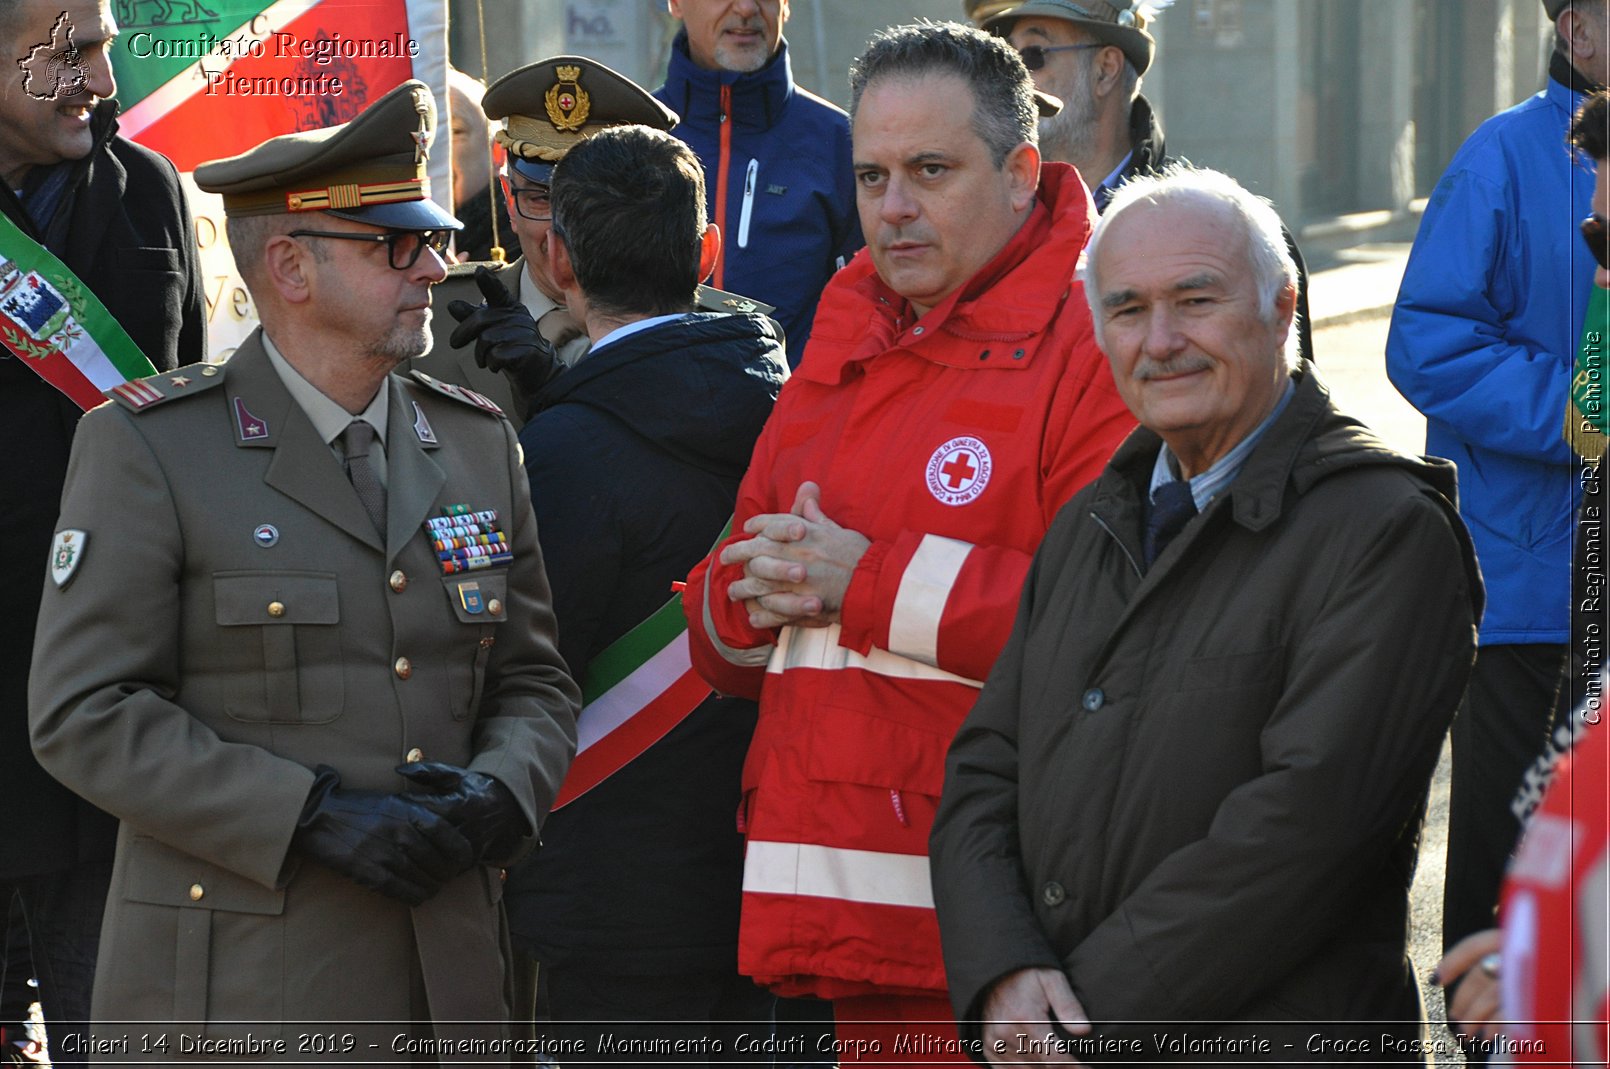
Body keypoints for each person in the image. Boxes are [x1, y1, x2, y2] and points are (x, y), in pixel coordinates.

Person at [27, 79, 579, 1056]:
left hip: (447, 988)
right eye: (397, 246)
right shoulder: (151, 448)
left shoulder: (477, 443)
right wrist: (307, 815)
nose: (434, 267)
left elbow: (533, 678)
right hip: (243, 994)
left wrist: (503, 791)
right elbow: (83, 712)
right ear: (289, 265)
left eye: (435, 239)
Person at [930, 164, 1483, 1064]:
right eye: (1127, 309)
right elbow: (985, 769)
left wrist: (1077, 1023)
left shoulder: (1383, 528)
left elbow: (1304, 835)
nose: (1161, 341)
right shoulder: (1093, 516)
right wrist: (1004, 967)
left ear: (1282, 310)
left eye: (1195, 300)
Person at [682, 22, 1134, 1060]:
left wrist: (864, 582)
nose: (891, 207)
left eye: (929, 171)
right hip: (838, 908)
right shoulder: (844, 328)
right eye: (872, 174)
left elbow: (1114, 626)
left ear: (1022, 173)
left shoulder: (1099, 337)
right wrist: (746, 595)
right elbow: (721, 631)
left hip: (1006, 925)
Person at [511, 120, 787, 1063]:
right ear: (707, 251)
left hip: (608, 898)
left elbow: (525, 674)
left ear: (557, 259)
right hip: (769, 876)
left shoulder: (560, 447)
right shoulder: (800, 414)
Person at [0, 0, 204, 1063]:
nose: (104, 82)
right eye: (69, 55)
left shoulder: (150, 193)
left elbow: (197, 433)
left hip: (110, 726)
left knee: (114, 1042)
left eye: (106, 51)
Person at [1387, 0, 1606, 987]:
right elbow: (1424, 341)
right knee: (1510, 879)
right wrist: (1572, 413)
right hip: (1532, 588)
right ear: (1569, 22)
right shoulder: (1500, 156)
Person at [423, 57, 779, 426]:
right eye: (541, 199)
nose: (561, 228)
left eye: (593, 205)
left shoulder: (728, 338)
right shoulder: (434, 317)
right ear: (509, 200)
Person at [972, 0, 1314, 363]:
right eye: (1007, 62)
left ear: (1105, 70)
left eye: (1032, 56)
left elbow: (1285, 401)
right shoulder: (990, 222)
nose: (1015, 83)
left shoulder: (1231, 231)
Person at [655, 0, 861, 357]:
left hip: (798, 409)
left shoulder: (845, 145)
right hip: (651, 407)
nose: (748, 8)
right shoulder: (631, 137)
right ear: (675, 3)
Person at [446, 66, 521, 264]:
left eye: (454, 132)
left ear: (497, 152)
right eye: (421, 135)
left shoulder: (526, 245)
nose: (431, 151)